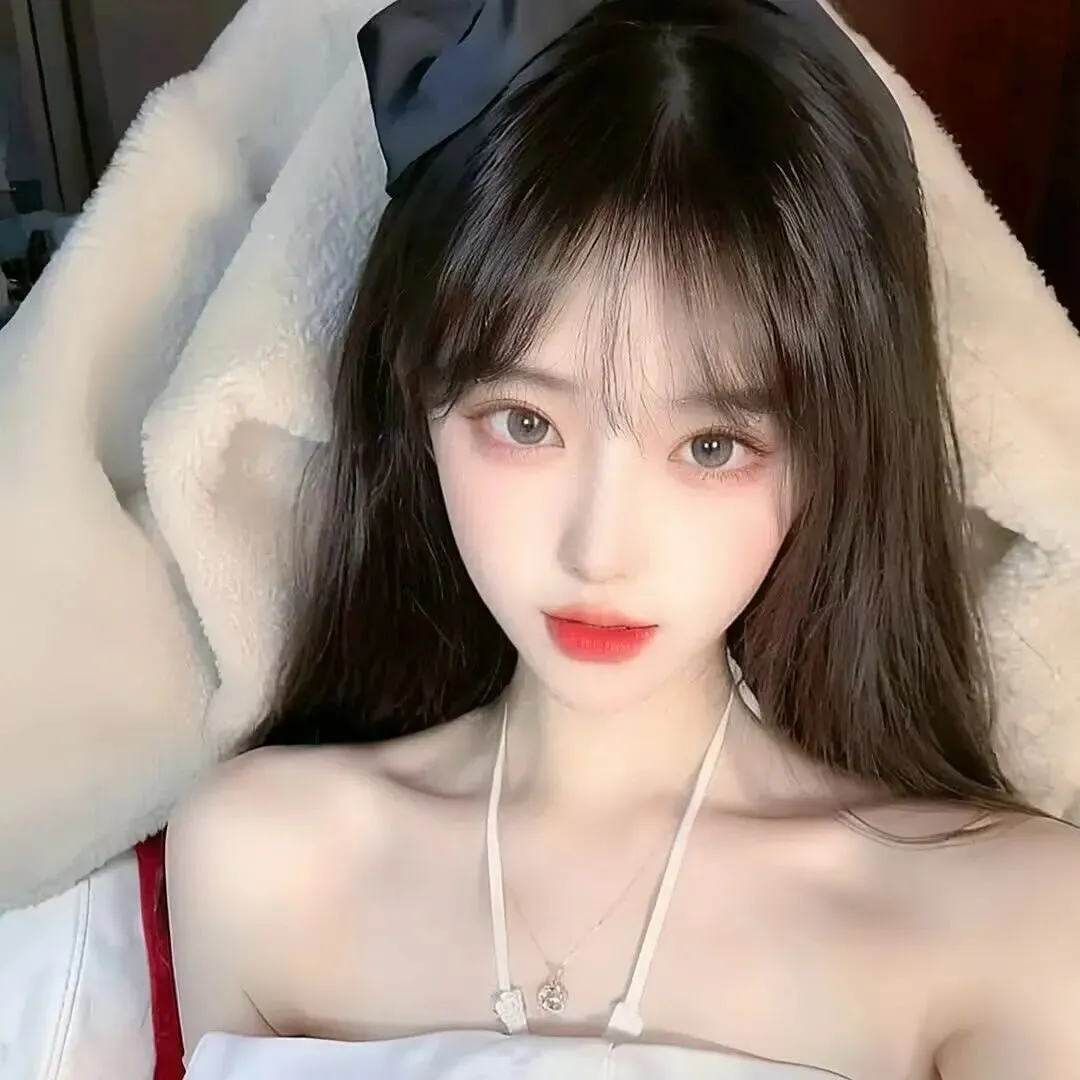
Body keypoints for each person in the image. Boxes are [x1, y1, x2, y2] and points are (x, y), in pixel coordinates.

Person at [165, 1, 1080, 1077]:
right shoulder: (258, 861)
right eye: (525, 423)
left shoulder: (1012, 923)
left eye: (711, 447)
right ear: (417, 403)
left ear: (835, 452)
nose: (600, 552)